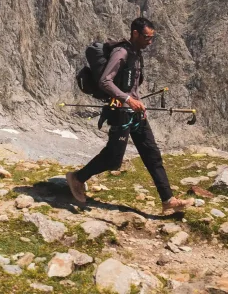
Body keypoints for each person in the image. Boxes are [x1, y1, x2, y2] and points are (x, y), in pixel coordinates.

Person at [66, 17, 194, 213]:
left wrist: (137, 102)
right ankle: (77, 178)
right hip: (120, 112)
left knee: (152, 154)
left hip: (135, 112)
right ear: (135, 33)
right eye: (146, 37)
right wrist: (128, 100)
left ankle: (168, 200)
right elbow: (105, 82)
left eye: (152, 37)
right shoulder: (122, 52)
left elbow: (132, 84)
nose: (149, 41)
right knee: (112, 158)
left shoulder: (136, 53)